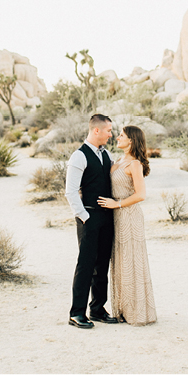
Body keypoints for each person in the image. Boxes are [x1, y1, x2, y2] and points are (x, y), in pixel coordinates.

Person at [97, 125, 157, 326]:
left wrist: (118, 204)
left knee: (132, 261)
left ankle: (137, 313)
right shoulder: (119, 160)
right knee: (121, 261)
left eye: (121, 135)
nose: (117, 138)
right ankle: (123, 310)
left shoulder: (135, 164)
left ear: (131, 140)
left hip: (129, 216)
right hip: (116, 217)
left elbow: (141, 195)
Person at [65, 114, 119, 329]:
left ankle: (97, 309)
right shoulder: (79, 156)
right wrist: (85, 217)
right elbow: (70, 191)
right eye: (108, 130)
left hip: (107, 217)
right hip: (88, 217)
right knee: (86, 265)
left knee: (102, 265)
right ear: (96, 130)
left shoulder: (107, 154)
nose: (111, 134)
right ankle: (76, 313)